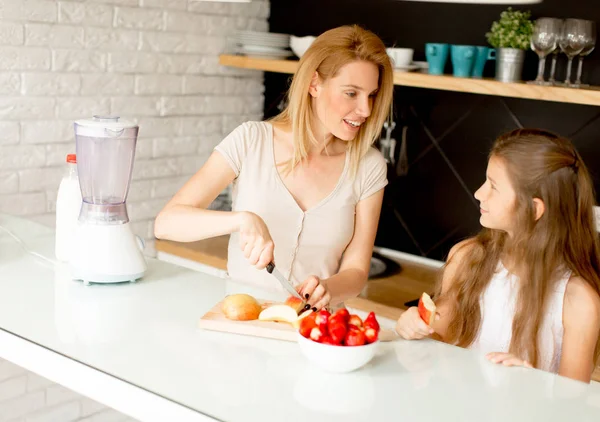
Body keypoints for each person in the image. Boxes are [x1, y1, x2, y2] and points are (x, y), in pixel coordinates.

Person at [154, 24, 394, 311]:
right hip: (243, 320)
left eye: (371, 95)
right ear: (314, 84)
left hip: (315, 332)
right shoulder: (251, 140)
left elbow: (356, 270)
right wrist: (241, 219)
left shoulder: (368, 166)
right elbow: (166, 223)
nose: (366, 110)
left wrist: (328, 288)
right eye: (352, 93)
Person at [395, 128, 600, 383]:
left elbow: (573, 405)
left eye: (493, 186)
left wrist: (531, 386)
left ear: (534, 209)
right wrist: (413, 326)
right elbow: (438, 337)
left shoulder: (579, 302)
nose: (479, 193)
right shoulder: (466, 258)